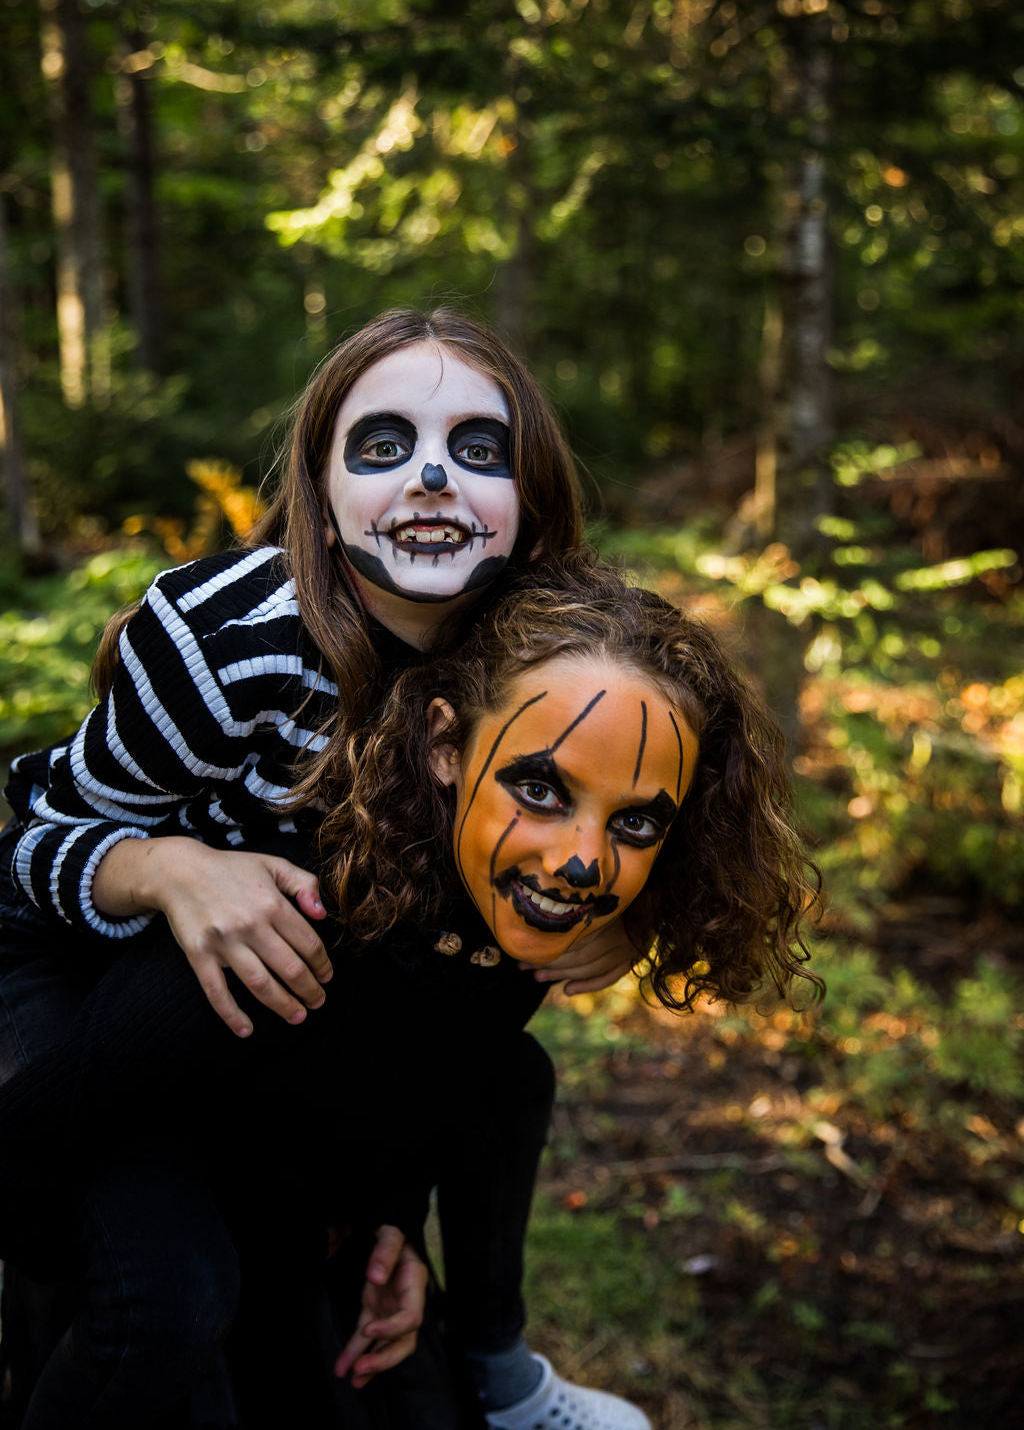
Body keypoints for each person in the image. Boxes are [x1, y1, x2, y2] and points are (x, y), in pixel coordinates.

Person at [0, 308, 651, 1430]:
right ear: (321, 484)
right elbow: (30, 855)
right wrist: (167, 870)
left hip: (278, 1006)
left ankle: (488, 1368)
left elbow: (436, 980)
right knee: (167, 1295)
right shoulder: (228, 640)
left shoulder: (544, 667)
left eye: (480, 451)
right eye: (384, 444)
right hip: (84, 969)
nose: (435, 476)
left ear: (532, 498)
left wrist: (385, 1202)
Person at [0, 548, 822, 1430]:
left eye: (635, 821)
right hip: (137, 1184)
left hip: (299, 1180)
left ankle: (498, 1377)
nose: (584, 859)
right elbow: (29, 1154)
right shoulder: (284, 928)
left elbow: (424, 1069)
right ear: (442, 745)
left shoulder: (507, 919)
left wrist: (385, 1214)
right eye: (539, 787)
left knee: (512, 1079)